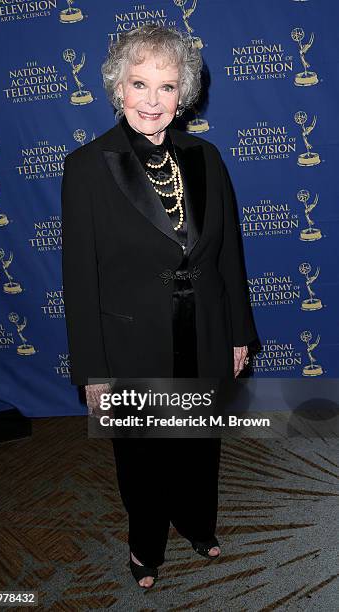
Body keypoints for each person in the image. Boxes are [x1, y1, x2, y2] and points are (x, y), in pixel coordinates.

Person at [61, 25, 258, 588]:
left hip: (206, 334)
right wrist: (94, 371)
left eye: (167, 86)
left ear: (184, 93)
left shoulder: (207, 157)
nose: (152, 100)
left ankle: (197, 522)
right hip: (131, 343)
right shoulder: (85, 167)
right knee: (142, 460)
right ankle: (145, 545)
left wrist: (238, 333)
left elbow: (228, 256)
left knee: (199, 445)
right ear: (117, 88)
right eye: (139, 84)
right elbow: (79, 279)